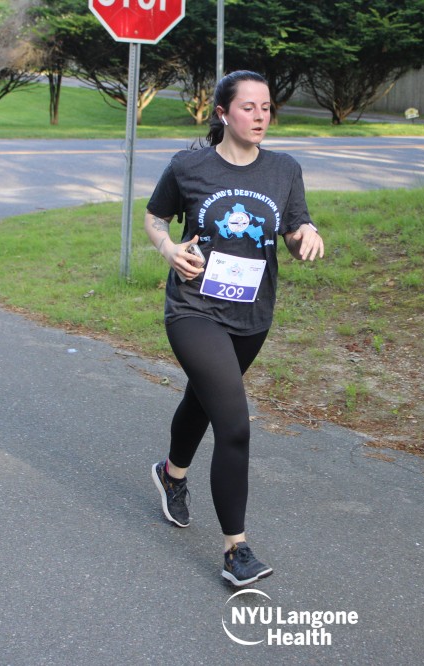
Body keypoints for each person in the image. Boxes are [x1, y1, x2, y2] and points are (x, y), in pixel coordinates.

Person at [144, 70, 324, 587]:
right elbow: (154, 218)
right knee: (234, 425)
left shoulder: (284, 169)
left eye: (266, 107)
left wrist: (306, 236)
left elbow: (294, 227)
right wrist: (168, 249)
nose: (261, 116)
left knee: (204, 400)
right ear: (223, 113)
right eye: (249, 107)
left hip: (252, 314)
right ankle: (235, 550)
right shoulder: (189, 166)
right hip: (194, 308)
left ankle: (171, 475)